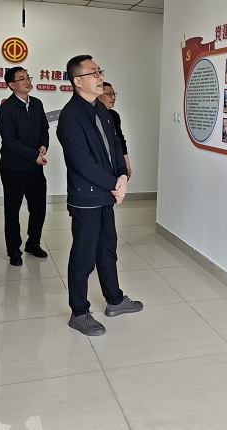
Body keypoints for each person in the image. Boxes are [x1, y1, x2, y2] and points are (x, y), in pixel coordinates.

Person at [57, 55, 142, 336]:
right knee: (83, 256)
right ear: (77, 81)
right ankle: (79, 312)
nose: (100, 77)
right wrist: (115, 185)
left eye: (100, 71)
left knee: (107, 249)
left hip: (106, 193)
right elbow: (82, 163)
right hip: (86, 198)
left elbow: (115, 145)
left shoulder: (102, 111)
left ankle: (114, 299)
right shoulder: (70, 117)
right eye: (93, 73)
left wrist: (121, 175)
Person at [0, 66, 50, 266]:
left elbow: (44, 128)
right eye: (22, 79)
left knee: (39, 208)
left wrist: (44, 144)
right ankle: (14, 251)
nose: (27, 81)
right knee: (12, 211)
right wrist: (34, 155)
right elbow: (10, 141)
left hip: (35, 169)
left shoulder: (37, 104)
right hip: (13, 169)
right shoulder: (6, 109)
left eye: (28, 77)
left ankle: (33, 243)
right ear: (11, 85)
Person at [98, 81, 132, 178]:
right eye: (109, 94)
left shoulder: (114, 115)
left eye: (114, 94)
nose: (113, 97)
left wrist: (127, 163)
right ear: (98, 96)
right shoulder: (93, 116)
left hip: (115, 158)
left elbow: (120, 140)